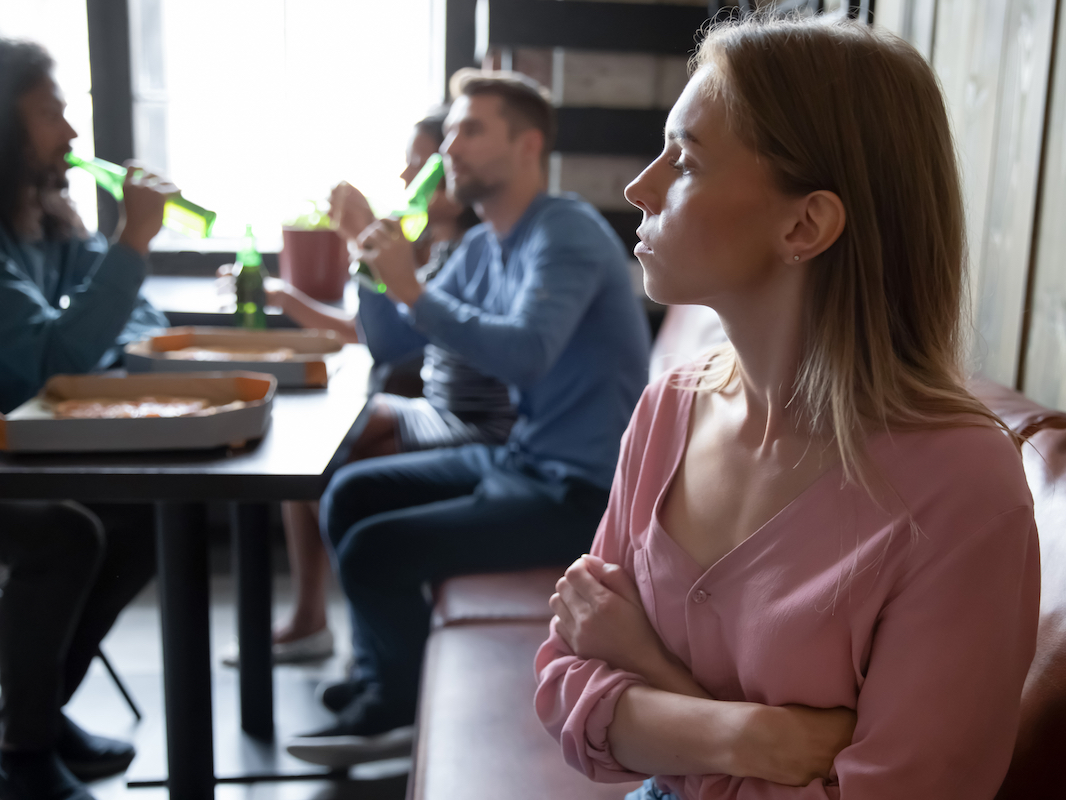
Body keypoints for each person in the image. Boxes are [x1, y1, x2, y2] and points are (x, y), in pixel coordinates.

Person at [535, 14, 1040, 800]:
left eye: (687, 160)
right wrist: (756, 737)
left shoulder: (960, 486)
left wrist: (648, 669)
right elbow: (565, 683)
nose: (641, 186)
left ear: (805, 224)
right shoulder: (669, 407)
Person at [284, 69, 652, 767]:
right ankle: (382, 678)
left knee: (373, 549)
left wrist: (413, 286)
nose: (451, 144)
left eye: (472, 129)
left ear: (527, 145)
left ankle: (394, 710)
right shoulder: (484, 245)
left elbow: (529, 354)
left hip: (582, 491)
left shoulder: (564, 231)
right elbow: (394, 338)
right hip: (523, 460)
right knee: (348, 492)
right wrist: (368, 255)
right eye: (450, 130)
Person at [220, 110, 513, 669]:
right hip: (435, 409)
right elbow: (386, 330)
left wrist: (362, 239)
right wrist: (291, 299)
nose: (408, 178)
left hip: (466, 422)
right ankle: (328, 624)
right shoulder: (445, 248)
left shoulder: (478, 248)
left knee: (326, 464)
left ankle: (350, 633)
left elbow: (386, 341)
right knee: (315, 454)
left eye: (420, 163)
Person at [0, 38, 174, 800]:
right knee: (64, 531)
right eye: (51, 114)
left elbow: (135, 319)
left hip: (25, 443)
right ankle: (25, 757)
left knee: (145, 513)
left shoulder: (40, 222)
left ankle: (30, 713)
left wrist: (113, 258)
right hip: (17, 450)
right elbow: (51, 363)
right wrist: (134, 238)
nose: (71, 135)